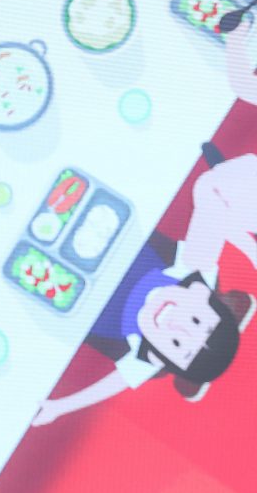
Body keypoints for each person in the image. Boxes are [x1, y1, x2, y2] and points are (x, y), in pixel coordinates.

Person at [33, 143, 256, 425]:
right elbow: (211, 192)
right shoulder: (195, 270)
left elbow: (115, 383)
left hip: (53, 285)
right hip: (88, 217)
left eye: (177, 343)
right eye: (196, 320)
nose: (175, 324)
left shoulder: (146, 359)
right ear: (203, 292)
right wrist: (249, 246)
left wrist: (59, 407)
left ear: (161, 359)